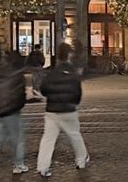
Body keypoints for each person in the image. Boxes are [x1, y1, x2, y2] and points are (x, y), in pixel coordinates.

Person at [37, 43, 89, 178]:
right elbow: (77, 93)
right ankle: (81, 160)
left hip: (52, 111)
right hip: (68, 110)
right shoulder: (73, 73)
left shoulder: (52, 73)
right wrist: (75, 103)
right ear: (69, 55)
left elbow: (43, 89)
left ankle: (43, 167)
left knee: (48, 139)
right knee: (75, 136)